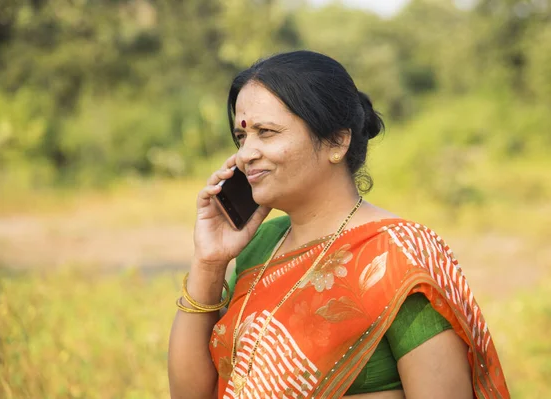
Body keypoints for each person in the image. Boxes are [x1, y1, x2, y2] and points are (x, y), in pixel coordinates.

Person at [168, 50, 509, 399]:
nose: (245, 154)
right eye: (242, 137)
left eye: (265, 132)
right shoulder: (262, 243)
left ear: (337, 141)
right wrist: (208, 262)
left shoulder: (396, 256)